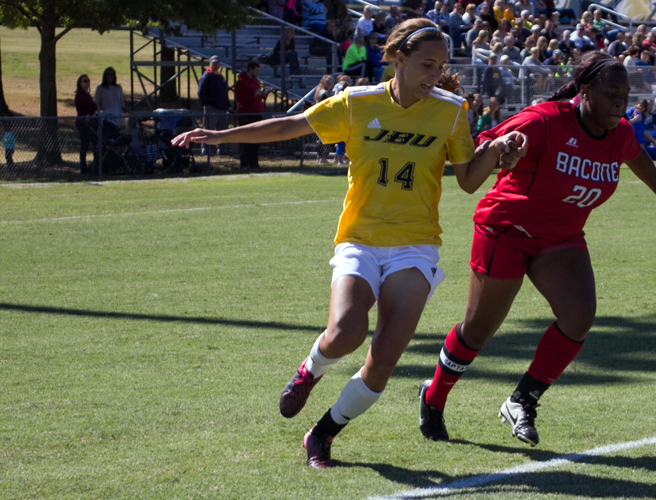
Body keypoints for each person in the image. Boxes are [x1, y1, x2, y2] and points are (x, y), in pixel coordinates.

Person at [171, 20, 526, 469]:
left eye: (440, 66)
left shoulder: (452, 110)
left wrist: (498, 149)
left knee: (382, 361)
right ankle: (310, 370)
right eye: (425, 64)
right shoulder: (359, 103)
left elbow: (469, 180)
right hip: (360, 238)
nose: (434, 74)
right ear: (399, 59)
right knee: (345, 333)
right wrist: (220, 136)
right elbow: (290, 126)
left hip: (416, 245)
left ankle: (321, 434)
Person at [416, 51, 656, 445]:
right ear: (584, 91)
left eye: (625, 94)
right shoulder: (544, 120)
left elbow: (636, 156)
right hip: (506, 230)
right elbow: (486, 143)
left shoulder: (620, 133)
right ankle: (434, 397)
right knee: (478, 330)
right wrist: (505, 147)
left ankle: (522, 401)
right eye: (611, 92)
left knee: (579, 315)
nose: (620, 101)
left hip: (561, 236)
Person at [234, 61, 266, 169]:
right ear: (250, 69)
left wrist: (261, 95)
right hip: (246, 113)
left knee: (256, 139)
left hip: (257, 112)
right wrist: (253, 95)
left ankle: (254, 163)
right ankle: (244, 163)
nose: (257, 72)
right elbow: (239, 98)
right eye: (255, 70)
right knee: (246, 139)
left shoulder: (256, 81)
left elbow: (257, 96)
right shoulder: (241, 82)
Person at [198, 56, 231, 159]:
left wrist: (227, 105)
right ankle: (206, 149)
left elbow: (224, 93)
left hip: (222, 108)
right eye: (214, 64)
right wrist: (207, 104)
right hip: (211, 107)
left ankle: (221, 149)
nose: (216, 66)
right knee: (208, 129)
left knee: (222, 130)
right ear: (210, 64)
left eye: (217, 64)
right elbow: (201, 93)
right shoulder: (206, 76)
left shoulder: (220, 77)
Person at [74, 74, 99, 174]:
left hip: (90, 122)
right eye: (84, 81)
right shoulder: (80, 94)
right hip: (83, 123)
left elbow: (93, 107)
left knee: (96, 143)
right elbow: (90, 107)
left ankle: (96, 166)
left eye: (88, 80)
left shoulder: (87, 94)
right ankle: (83, 168)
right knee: (85, 145)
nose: (87, 82)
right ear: (80, 83)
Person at [94, 66, 126, 132]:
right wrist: (100, 114)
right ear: (104, 76)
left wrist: (123, 109)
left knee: (123, 131)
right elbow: (97, 103)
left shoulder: (118, 88)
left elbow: (121, 101)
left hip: (118, 114)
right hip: (107, 115)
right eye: (107, 74)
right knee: (110, 133)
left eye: (112, 74)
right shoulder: (100, 88)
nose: (110, 76)